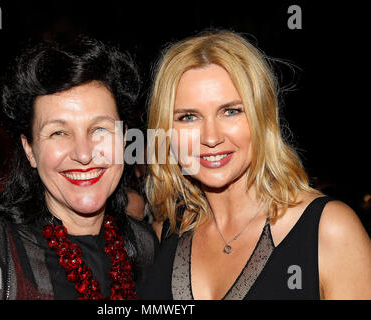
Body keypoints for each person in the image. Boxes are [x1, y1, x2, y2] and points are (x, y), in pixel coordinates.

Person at [144, 29, 371, 299]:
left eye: (231, 111)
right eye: (189, 117)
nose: (211, 138)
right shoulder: (166, 232)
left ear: (261, 117)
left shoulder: (329, 230)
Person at [0, 37, 157, 300]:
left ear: (125, 138)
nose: (83, 154)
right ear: (30, 150)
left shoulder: (144, 245)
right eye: (59, 132)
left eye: (100, 129)